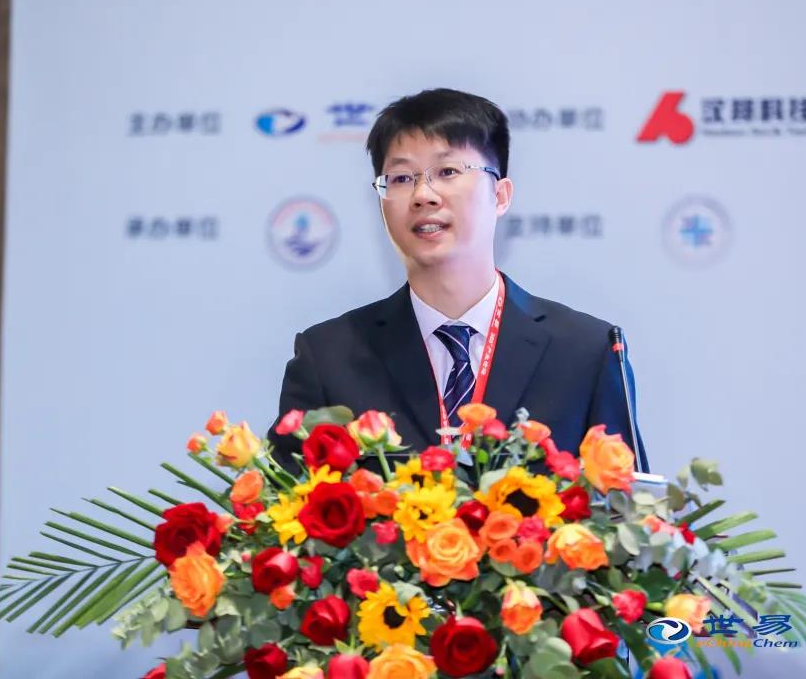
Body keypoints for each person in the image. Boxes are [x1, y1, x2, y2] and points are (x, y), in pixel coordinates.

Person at [269, 88, 648, 471]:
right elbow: (288, 502)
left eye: (447, 172)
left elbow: (626, 502)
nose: (422, 195)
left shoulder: (586, 352)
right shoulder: (328, 358)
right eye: (400, 178)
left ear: (500, 195)